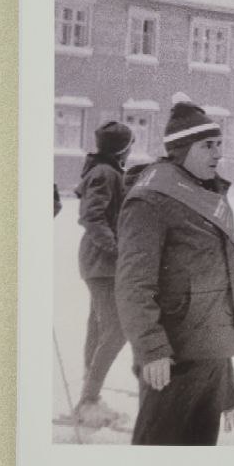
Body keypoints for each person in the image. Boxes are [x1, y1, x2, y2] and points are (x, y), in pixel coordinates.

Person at [114, 94, 234, 445]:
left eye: (219, 144)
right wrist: (152, 349)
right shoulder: (150, 200)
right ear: (182, 150)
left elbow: (232, 262)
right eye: (208, 145)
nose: (218, 153)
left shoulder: (207, 198)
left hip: (211, 353)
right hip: (173, 360)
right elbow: (133, 284)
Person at [71, 120, 133, 428]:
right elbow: (91, 216)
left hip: (99, 263)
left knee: (98, 328)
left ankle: (88, 395)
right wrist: (117, 249)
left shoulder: (105, 171)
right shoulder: (105, 173)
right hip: (102, 264)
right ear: (123, 148)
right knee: (117, 328)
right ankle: (89, 398)